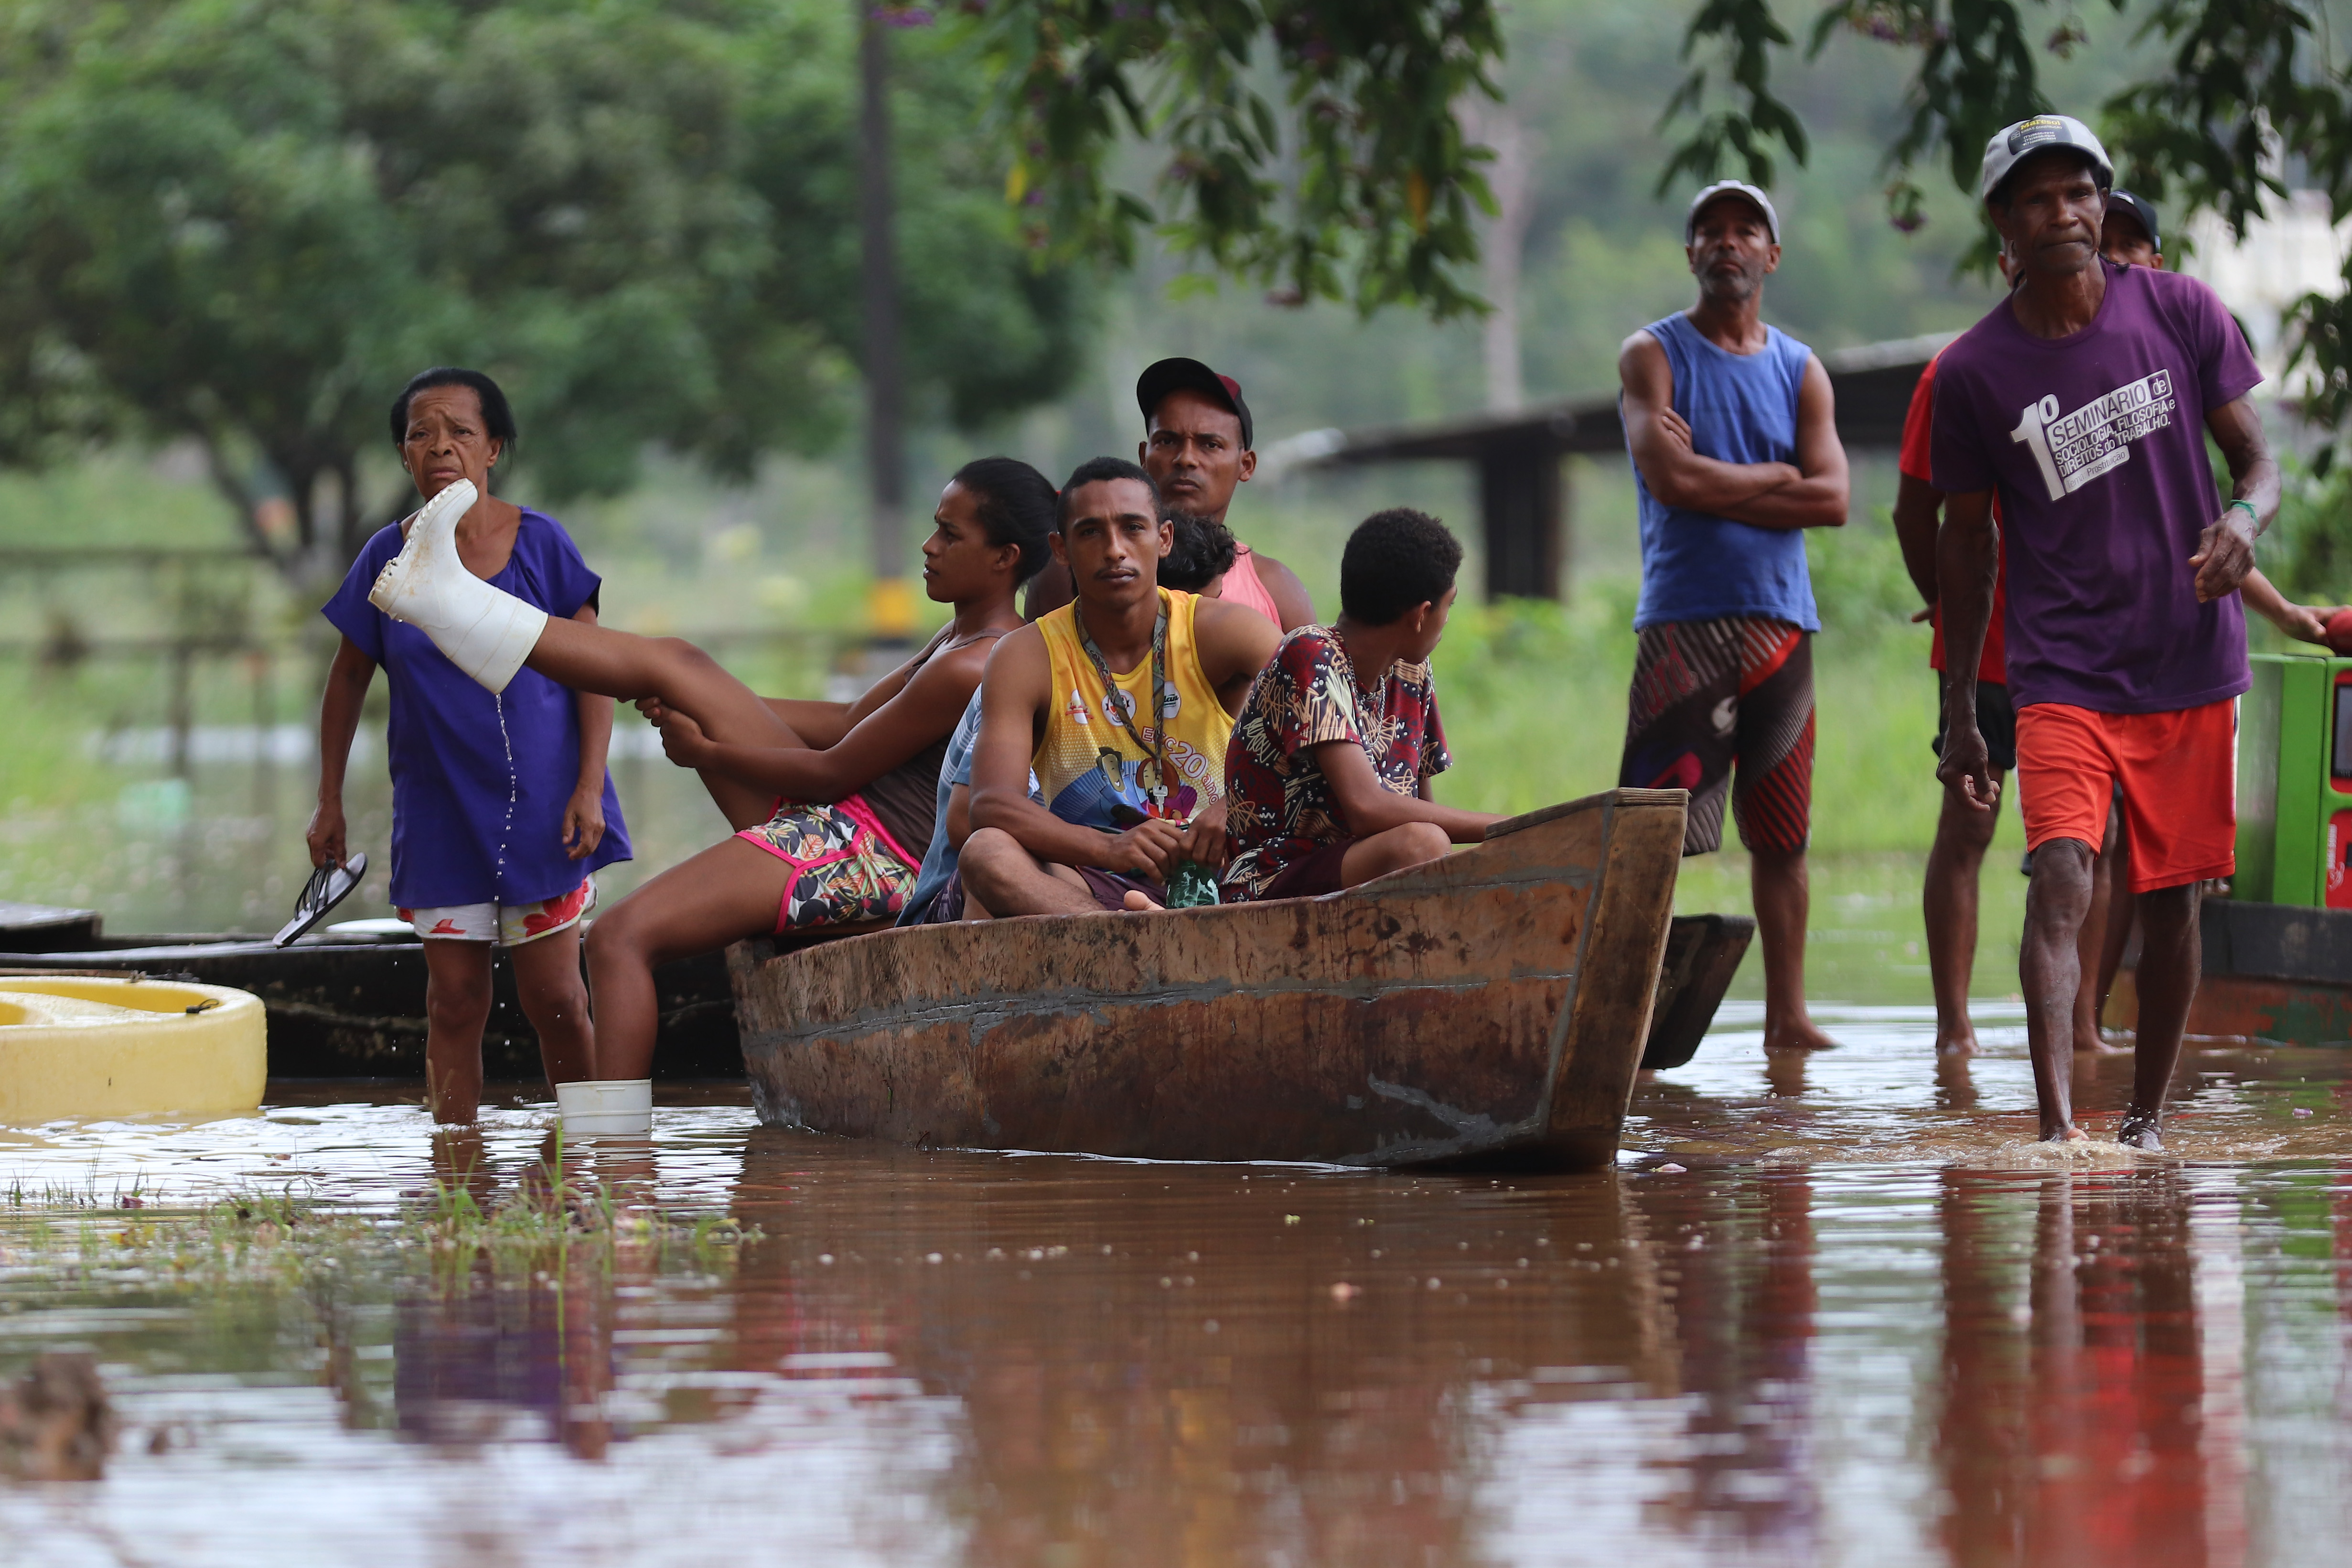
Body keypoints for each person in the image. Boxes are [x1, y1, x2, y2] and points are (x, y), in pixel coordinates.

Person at [363, 451, 1058, 1080]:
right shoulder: (957, 635)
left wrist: (708, 750)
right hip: (849, 823)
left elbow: (833, 771)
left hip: (876, 860)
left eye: (949, 535)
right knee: (678, 662)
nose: (928, 546)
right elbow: (850, 721)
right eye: (934, 528)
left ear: (1005, 558)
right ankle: (447, 602)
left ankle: (614, 1159)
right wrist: (704, 691)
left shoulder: (977, 663)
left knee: (618, 938)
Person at [1934, 115, 2277, 1148]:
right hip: (2061, 672)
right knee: (2060, 877)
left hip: (2187, 662)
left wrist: (2242, 521)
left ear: (2099, 201)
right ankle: (2055, 1134)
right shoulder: (1971, 372)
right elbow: (1965, 546)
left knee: (2172, 907)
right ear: (2003, 224)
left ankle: (2142, 1127)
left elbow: (2257, 464)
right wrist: (1961, 711)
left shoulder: (2179, 310)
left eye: (2078, 192)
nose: (2064, 213)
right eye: (2037, 199)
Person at [311, 367, 629, 1125]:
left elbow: (598, 673)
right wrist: (328, 800)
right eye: (421, 433)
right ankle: (457, 1166)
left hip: (545, 805)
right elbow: (348, 678)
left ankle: (588, 1155)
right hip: (439, 811)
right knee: (453, 1001)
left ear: (493, 449)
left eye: (460, 431)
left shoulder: (541, 545)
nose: (440, 447)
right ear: (403, 455)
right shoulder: (387, 558)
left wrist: (589, 785)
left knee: (556, 997)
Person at [1617, 179, 1852, 1052]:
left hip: (1779, 625)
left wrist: (1719, 478)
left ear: (1770, 255)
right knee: (1652, 836)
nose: (1727, 242)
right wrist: (1777, 477)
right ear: (1690, 254)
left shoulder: (1799, 368)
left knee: (1783, 834)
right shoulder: (1652, 353)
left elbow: (1831, 499)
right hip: (1684, 621)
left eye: (1745, 230)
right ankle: (1626, 1014)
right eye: (1709, 231)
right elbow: (1668, 478)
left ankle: (1787, 1015)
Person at [958, 457, 1283, 916]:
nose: (1114, 550)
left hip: (1229, 871)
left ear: (1163, 538)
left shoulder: (1225, 630)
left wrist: (1237, 803)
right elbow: (991, 804)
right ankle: (1124, 939)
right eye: (1091, 532)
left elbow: (1323, 716)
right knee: (986, 853)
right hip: (1094, 882)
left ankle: (1138, 938)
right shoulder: (1024, 655)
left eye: (1132, 528)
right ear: (1061, 549)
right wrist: (1108, 849)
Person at [1222, 509, 1503, 900]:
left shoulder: (1411, 671)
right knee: (1422, 844)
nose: (1447, 620)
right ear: (1422, 615)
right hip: (1272, 878)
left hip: (1360, 869)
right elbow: (1366, 808)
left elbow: (1421, 807)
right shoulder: (1310, 654)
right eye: (1448, 605)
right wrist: (1511, 826)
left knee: (1439, 847)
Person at [1024, 358, 1315, 631]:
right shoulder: (1076, 568)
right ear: (1144, 455)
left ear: (1246, 465)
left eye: (1210, 445)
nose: (1186, 459)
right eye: (1167, 441)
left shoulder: (1276, 591)